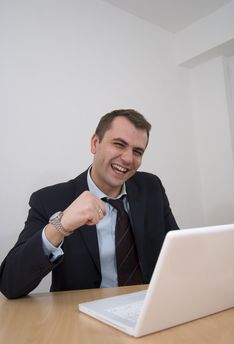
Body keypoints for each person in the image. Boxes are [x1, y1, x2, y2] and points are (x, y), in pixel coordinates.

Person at [0, 109, 179, 299]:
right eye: (119, 144)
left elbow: (177, 252)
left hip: (147, 307)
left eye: (137, 151)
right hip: (80, 317)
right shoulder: (49, 199)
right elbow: (10, 284)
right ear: (95, 143)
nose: (127, 158)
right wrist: (60, 226)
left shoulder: (151, 188)